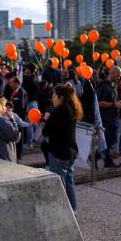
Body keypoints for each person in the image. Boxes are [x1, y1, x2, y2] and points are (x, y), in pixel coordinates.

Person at [42, 83, 83, 212]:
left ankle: (63, 213)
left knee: (59, 184)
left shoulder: (58, 111)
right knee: (69, 182)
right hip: (70, 151)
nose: (52, 98)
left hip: (58, 152)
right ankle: (73, 210)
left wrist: (46, 119)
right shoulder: (72, 109)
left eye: (54, 95)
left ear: (60, 97)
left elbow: (46, 131)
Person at [97, 66, 121, 167]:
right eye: (118, 75)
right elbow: (99, 103)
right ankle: (107, 161)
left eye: (120, 76)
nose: (119, 78)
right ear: (112, 73)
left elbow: (113, 101)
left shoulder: (113, 85)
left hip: (113, 117)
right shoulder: (103, 86)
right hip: (106, 118)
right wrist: (113, 104)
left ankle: (96, 156)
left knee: (112, 139)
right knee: (109, 139)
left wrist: (118, 103)